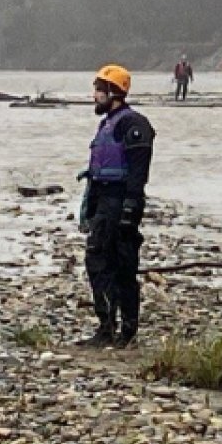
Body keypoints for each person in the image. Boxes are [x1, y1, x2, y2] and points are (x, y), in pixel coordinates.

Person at [78, 64, 156, 348]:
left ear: (114, 92)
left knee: (121, 265)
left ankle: (125, 330)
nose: (94, 95)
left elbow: (138, 172)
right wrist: (89, 207)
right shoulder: (108, 123)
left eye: (99, 90)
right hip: (105, 202)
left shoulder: (133, 125)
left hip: (120, 202)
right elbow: (97, 172)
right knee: (100, 262)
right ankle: (108, 327)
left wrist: (129, 209)